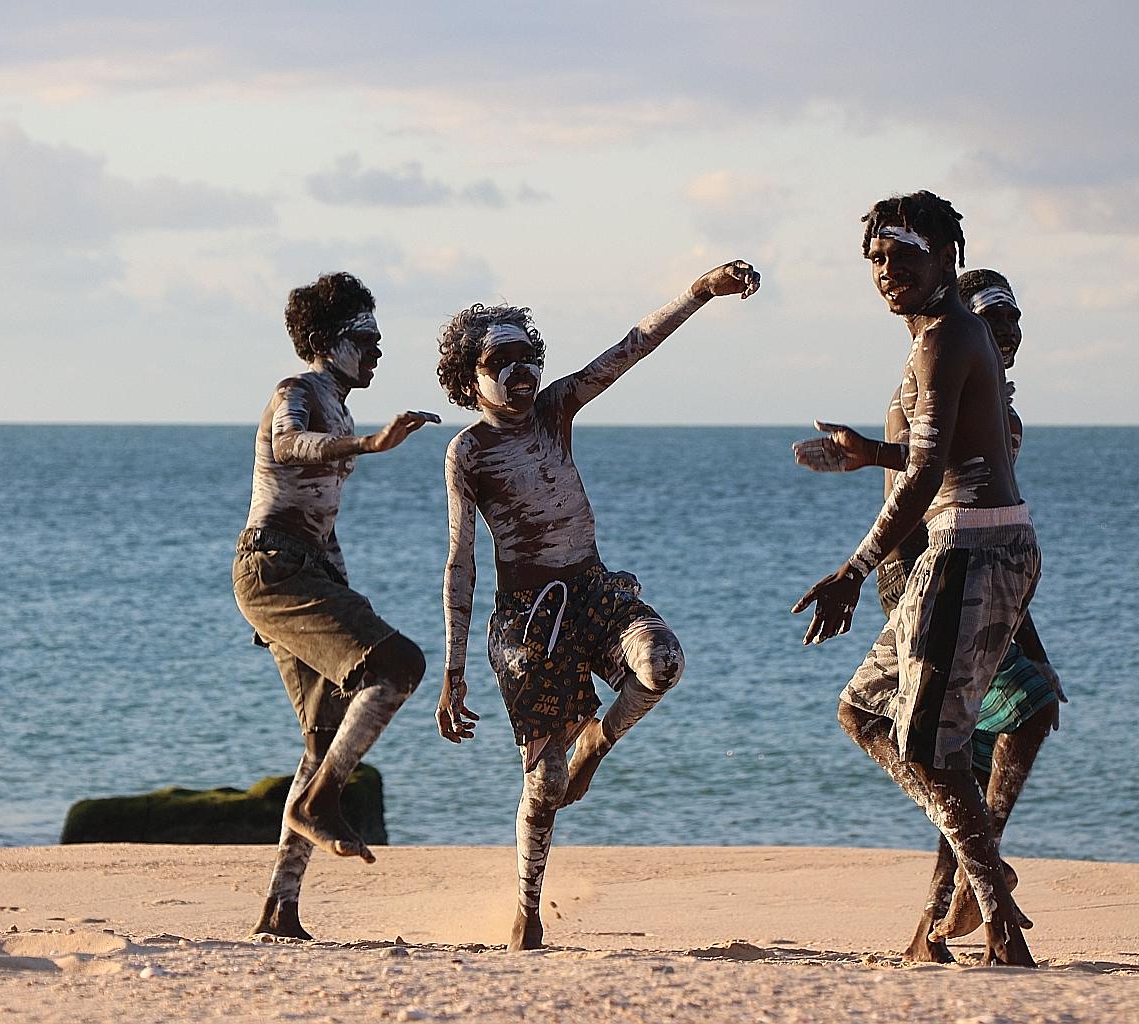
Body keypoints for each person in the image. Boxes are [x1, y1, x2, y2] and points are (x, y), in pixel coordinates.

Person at [435, 261, 761, 950]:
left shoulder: (556, 410)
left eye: (527, 356)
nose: (519, 371)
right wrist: (454, 670)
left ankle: (599, 742)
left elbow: (631, 347)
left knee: (662, 662)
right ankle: (527, 907)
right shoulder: (468, 452)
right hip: (527, 623)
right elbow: (461, 561)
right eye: (502, 360)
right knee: (544, 782)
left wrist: (700, 291)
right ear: (470, 380)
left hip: (593, 589)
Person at [793, 193, 1041, 967]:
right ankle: (982, 871)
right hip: (971, 554)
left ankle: (998, 924)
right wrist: (871, 453)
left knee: (940, 748)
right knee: (864, 711)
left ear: (946, 259)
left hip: (968, 553)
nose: (887, 269)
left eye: (904, 253)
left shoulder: (945, 338)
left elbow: (934, 465)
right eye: (876, 257)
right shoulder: (942, 338)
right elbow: (937, 453)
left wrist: (851, 569)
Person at [842, 266, 1067, 962]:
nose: (1006, 332)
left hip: (970, 583)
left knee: (964, 747)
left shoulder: (1002, 413)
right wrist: (902, 600)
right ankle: (985, 877)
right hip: (927, 585)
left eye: (1014, 320)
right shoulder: (923, 389)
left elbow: (985, 509)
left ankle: (936, 924)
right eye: (991, 320)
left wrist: (1022, 625)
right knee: (1002, 721)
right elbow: (917, 498)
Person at [233, 271, 439, 939]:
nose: (377, 351)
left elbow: (323, 519)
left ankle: (280, 910)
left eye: (380, 340)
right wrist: (370, 444)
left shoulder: (339, 402)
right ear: (326, 341)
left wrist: (342, 590)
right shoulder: (297, 392)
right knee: (400, 664)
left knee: (323, 739)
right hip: (273, 569)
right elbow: (289, 445)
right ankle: (320, 805)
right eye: (365, 339)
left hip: (302, 572)